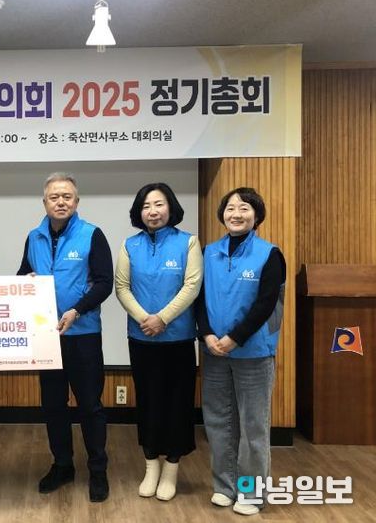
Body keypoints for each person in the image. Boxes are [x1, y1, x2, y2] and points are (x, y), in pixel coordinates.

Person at [17, 172, 113, 502]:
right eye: (54, 197)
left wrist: (77, 310)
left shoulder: (92, 234)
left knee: (90, 405)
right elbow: (22, 274)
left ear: (77, 201)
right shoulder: (34, 237)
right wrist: (25, 280)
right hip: (46, 336)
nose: (61, 202)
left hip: (83, 334)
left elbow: (104, 282)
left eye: (67, 196)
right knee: (53, 404)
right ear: (44, 202)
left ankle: (98, 470)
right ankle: (62, 465)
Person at [196, 187, 286, 516]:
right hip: (213, 352)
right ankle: (224, 487)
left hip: (254, 353)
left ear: (256, 215)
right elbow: (197, 298)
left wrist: (234, 338)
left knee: (253, 426)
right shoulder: (209, 252)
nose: (236, 214)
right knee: (218, 421)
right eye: (230, 208)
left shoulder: (270, 254)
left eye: (244, 208)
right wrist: (207, 334)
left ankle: (250, 493)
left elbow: (265, 304)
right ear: (222, 215)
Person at [115, 183, 202, 502]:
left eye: (159, 204)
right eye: (146, 206)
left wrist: (162, 318)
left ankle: (171, 468)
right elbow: (121, 287)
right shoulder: (129, 245)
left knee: (178, 404)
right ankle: (151, 464)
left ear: (171, 207)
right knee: (148, 401)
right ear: (139, 212)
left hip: (178, 339)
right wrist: (145, 319)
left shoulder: (188, 242)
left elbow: (192, 285)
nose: (152, 211)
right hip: (141, 339)